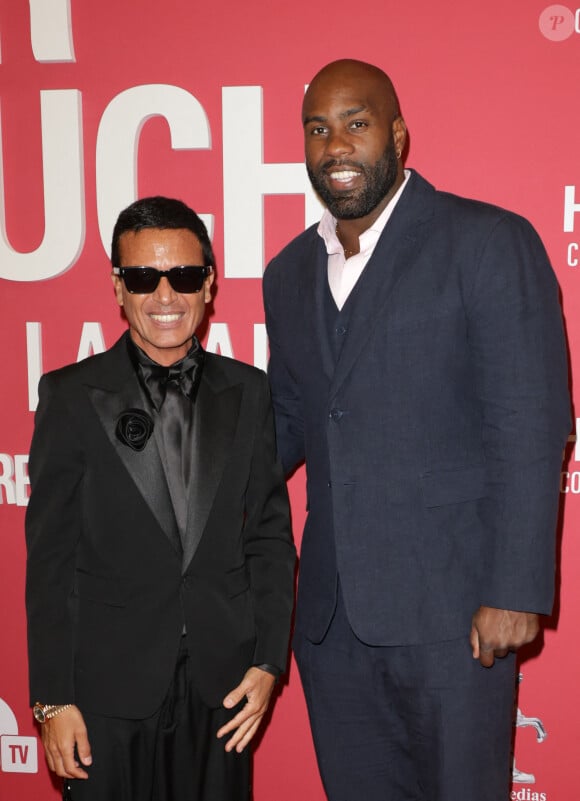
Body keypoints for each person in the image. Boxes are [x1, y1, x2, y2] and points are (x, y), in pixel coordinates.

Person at [263, 59, 570, 801]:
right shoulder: (289, 272)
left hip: (455, 616)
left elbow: (529, 422)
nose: (336, 144)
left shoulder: (488, 242)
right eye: (318, 128)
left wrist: (515, 587)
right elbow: (290, 421)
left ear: (397, 134)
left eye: (356, 124)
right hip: (333, 623)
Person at [26, 196, 295, 801]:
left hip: (221, 688)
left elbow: (270, 539)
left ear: (211, 284)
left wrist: (268, 662)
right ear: (119, 288)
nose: (166, 296)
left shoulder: (250, 392)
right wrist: (50, 700)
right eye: (145, 277)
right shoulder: (70, 397)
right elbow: (48, 564)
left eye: (186, 275)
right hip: (105, 696)